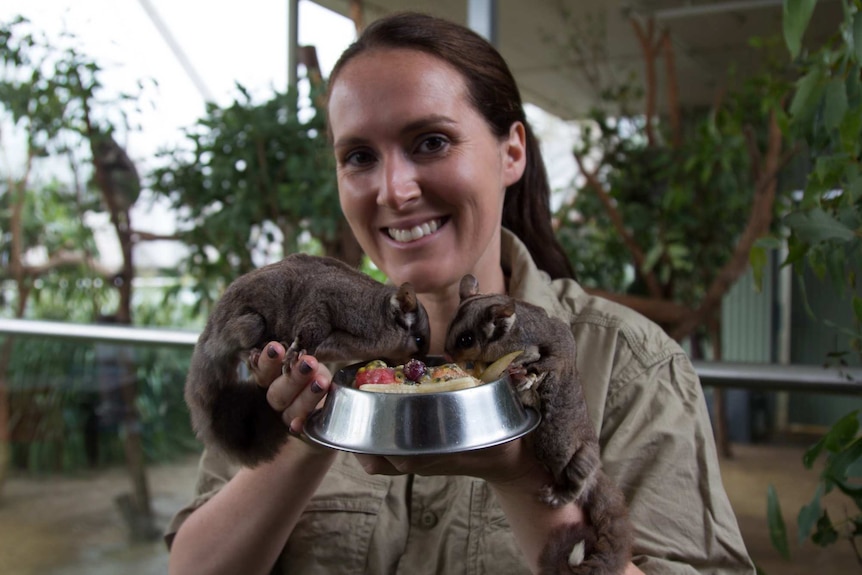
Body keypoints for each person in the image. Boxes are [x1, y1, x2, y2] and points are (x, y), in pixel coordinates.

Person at [166, 12, 755, 575]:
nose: (394, 191)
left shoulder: (626, 366)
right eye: (360, 157)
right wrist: (312, 428)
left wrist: (526, 479)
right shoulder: (294, 348)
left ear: (512, 152)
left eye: (431, 142)